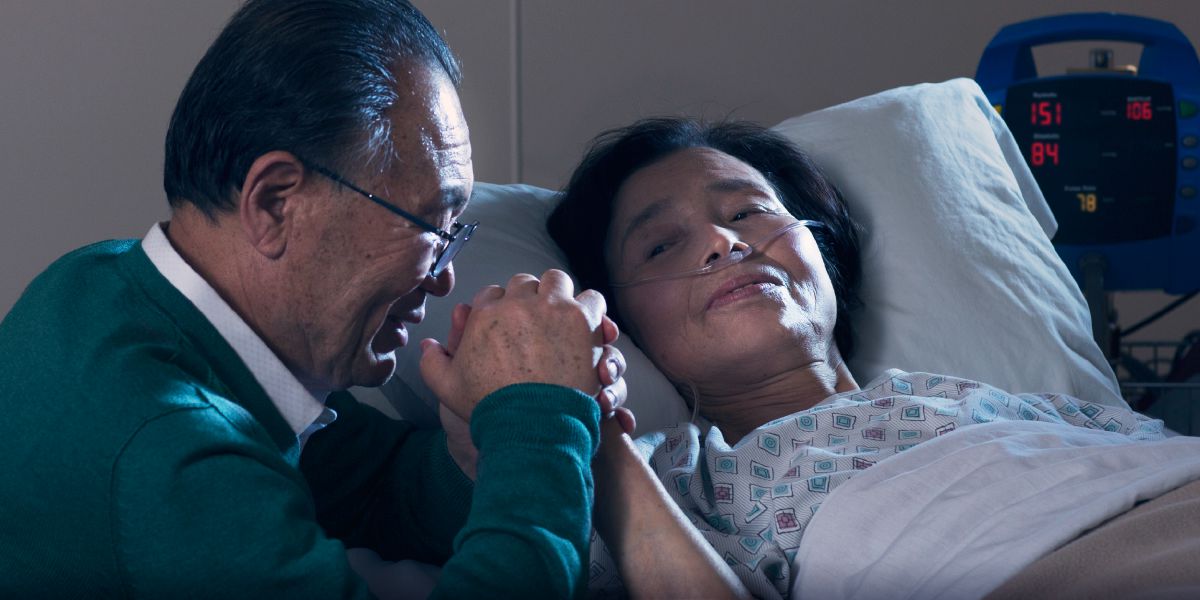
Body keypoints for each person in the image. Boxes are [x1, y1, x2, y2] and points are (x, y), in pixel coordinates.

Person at [0, 1, 701, 597]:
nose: (445, 276)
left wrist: (473, 445)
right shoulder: (178, 462)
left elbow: (368, 487)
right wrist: (539, 421)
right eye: (433, 224)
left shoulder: (103, 283)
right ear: (276, 202)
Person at [547, 117, 1200, 599]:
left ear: (824, 257)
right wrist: (593, 434)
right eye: (661, 246)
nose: (723, 240)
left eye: (748, 211)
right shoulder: (679, 485)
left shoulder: (1006, 404)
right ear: (625, 328)